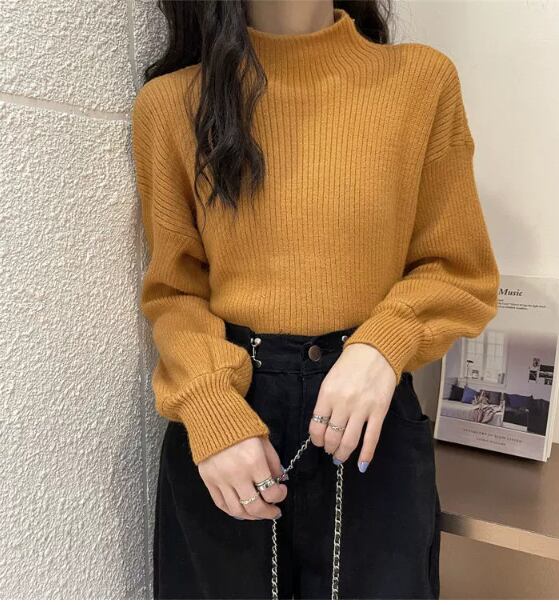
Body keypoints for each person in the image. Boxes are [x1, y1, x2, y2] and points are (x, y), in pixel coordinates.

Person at [131, 0, 500, 599]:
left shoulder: (420, 82)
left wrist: (382, 346)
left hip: (370, 422)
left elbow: (459, 270)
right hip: (230, 434)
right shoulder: (172, 103)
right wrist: (209, 406)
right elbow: (175, 292)